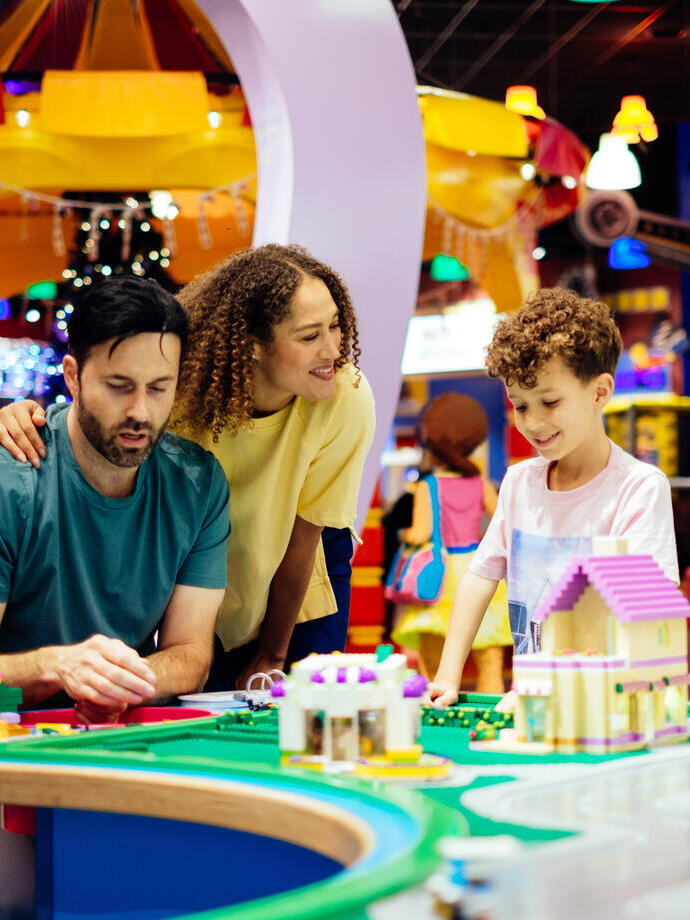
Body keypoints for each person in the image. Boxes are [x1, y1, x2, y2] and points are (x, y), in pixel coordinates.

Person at [0, 245, 375, 692]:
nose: (333, 350)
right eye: (309, 336)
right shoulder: (190, 389)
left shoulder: (340, 397)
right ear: (253, 345)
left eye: (335, 326)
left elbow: (301, 544)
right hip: (201, 567)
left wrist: (271, 654)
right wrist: (21, 414)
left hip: (288, 571)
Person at [429, 288, 679, 707]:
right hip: (532, 707)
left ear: (599, 392)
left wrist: (551, 690)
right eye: (521, 406)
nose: (533, 422)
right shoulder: (519, 483)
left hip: (608, 710)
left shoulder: (638, 488)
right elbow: (480, 577)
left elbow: (644, 618)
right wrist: (447, 675)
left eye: (550, 401)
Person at [0, 276, 230, 721]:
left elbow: (191, 654)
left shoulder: (198, 483)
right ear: (73, 376)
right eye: (119, 385)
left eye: (159, 387)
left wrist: (121, 684)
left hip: (122, 730)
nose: (139, 412)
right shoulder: (12, 479)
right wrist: (56, 667)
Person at [391, 392, 511, 693]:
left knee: (436, 668)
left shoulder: (428, 486)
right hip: (479, 569)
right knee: (490, 663)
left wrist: (403, 535)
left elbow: (420, 534)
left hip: (442, 577)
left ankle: (439, 714)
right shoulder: (480, 483)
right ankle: (494, 713)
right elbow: (503, 523)